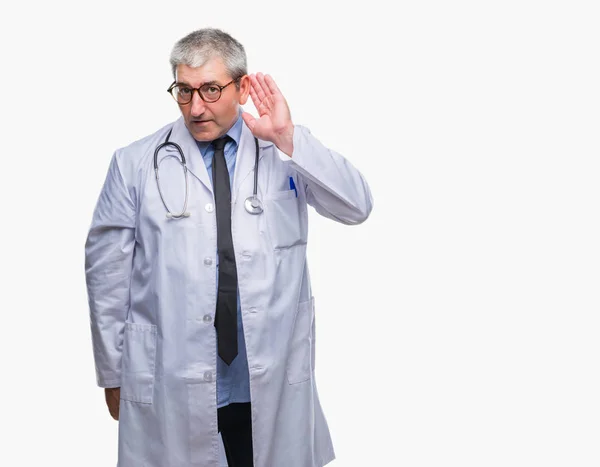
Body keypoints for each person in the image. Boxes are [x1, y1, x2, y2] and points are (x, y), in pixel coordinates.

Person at [85, 27, 373, 467]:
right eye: (184, 91)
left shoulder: (282, 150)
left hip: (268, 372)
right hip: (170, 374)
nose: (195, 107)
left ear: (241, 87)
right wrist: (112, 372)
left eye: (211, 90)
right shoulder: (134, 163)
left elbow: (357, 206)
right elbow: (106, 275)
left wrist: (288, 137)